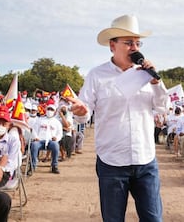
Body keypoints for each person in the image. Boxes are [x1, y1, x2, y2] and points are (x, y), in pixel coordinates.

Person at [67, 14, 168, 221]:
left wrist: (156, 81)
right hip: (112, 162)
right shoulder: (97, 75)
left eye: (138, 43)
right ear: (112, 45)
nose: (135, 47)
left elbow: (162, 107)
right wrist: (81, 112)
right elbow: (84, 110)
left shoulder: (147, 74)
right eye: (128, 42)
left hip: (145, 159)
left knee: (154, 219)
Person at [0, 106, 21, 188]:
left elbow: (12, 161)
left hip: (5, 171)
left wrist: (1, 169)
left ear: (9, 126)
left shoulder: (13, 141)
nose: (0, 126)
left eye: (4, 124)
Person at [30, 104, 62, 174]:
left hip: (51, 141)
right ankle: (32, 166)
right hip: (40, 140)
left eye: (52, 109)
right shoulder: (40, 120)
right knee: (34, 145)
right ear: (46, 110)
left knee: (56, 145)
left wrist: (56, 138)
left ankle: (54, 166)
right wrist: (35, 137)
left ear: (55, 111)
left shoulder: (57, 122)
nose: (50, 111)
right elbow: (34, 130)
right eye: (48, 109)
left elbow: (60, 133)